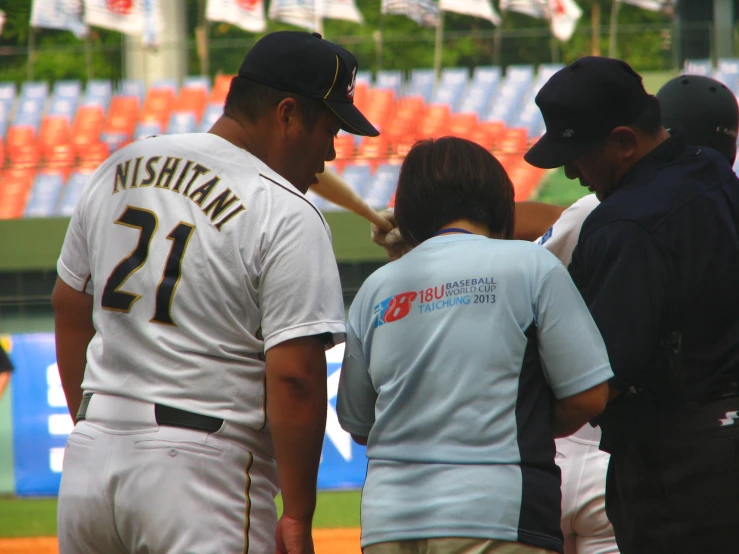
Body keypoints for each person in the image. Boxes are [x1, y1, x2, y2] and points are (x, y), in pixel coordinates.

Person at [52, 31, 378, 554]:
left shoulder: (118, 168)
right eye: (330, 127)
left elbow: (69, 308)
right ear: (288, 114)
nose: (333, 150)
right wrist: (297, 514)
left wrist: (95, 427)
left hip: (90, 462)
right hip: (201, 473)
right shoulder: (287, 211)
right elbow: (294, 379)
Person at [338, 136, 613, 554]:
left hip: (387, 521)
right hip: (496, 513)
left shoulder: (375, 289)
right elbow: (589, 396)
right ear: (498, 200)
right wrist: (523, 426)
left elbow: (358, 422)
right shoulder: (531, 264)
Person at [523, 56, 739, 554]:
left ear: (624, 141)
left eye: (577, 154)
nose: (572, 171)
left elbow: (596, 382)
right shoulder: (711, 172)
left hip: (682, 466)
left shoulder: (624, 224)